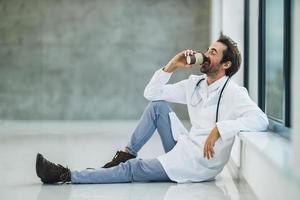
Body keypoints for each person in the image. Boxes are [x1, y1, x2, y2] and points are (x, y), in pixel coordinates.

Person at [35, 34, 269, 184]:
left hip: (198, 163)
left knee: (133, 170)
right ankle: (127, 152)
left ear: (226, 65)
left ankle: (66, 175)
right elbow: (152, 94)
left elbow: (260, 120)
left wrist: (220, 129)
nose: (206, 55)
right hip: (185, 146)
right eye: (208, 50)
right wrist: (172, 66)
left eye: (213, 53)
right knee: (157, 106)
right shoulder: (195, 84)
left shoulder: (234, 92)